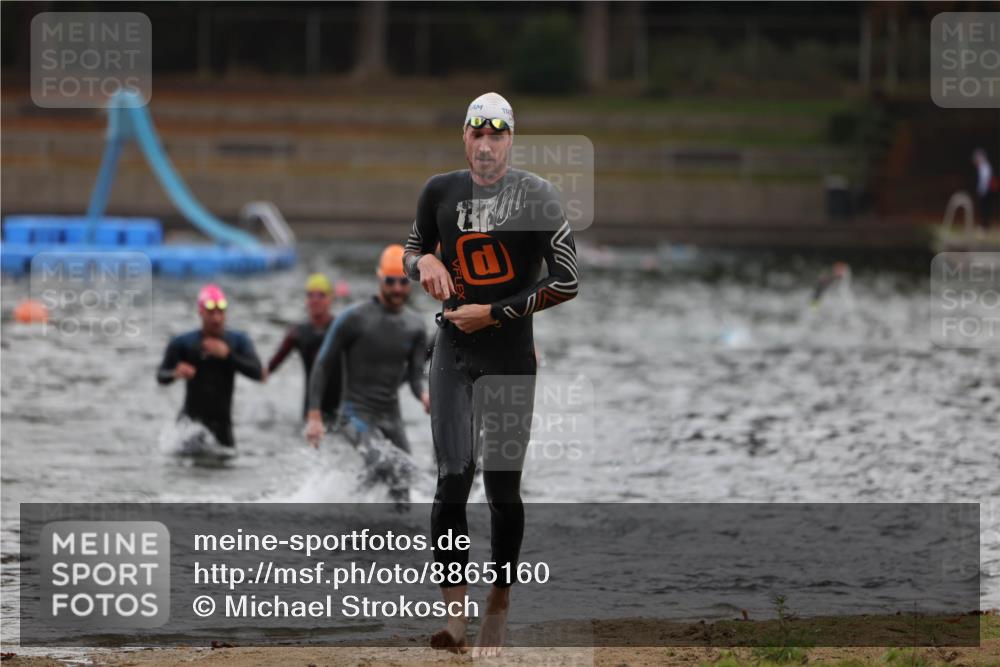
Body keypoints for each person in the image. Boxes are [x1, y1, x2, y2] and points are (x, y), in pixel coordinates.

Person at [403, 92, 579, 657]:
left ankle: (497, 606)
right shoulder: (440, 191)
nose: (485, 145)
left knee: (502, 490)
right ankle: (454, 616)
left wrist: (495, 312)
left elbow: (568, 280)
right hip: (452, 350)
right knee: (453, 477)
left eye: (496, 135)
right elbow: (409, 248)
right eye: (476, 135)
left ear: (510, 140)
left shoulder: (538, 197)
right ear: (464, 138)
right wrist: (423, 261)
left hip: (510, 356)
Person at [304, 245, 430, 505]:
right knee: (381, 462)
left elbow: (415, 377)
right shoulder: (354, 318)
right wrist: (314, 415)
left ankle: (392, 532)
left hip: (391, 416)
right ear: (379, 277)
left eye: (403, 282)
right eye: (390, 281)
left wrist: (424, 396)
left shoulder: (415, 326)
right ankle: (348, 511)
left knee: (404, 483)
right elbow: (324, 363)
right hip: (356, 413)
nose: (397, 288)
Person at [156, 284, 264, 448]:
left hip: (222, 428)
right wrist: (175, 373)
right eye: (211, 313)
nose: (216, 318)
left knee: (224, 468)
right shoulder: (183, 343)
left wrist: (228, 356)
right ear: (200, 312)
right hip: (190, 426)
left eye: (220, 312)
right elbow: (161, 376)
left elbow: (258, 373)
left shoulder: (238, 342)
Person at [266, 273, 342, 422]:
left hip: (341, 409)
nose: (315, 300)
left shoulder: (342, 329)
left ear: (331, 298)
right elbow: (271, 366)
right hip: (311, 411)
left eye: (321, 295)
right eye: (310, 295)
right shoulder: (297, 333)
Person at [973, 148, 997, 231]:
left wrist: (982, 190)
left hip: (986, 192)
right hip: (984, 191)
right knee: (984, 209)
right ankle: (984, 225)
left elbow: (985, 180)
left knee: (985, 209)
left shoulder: (985, 167)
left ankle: (985, 225)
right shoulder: (982, 167)